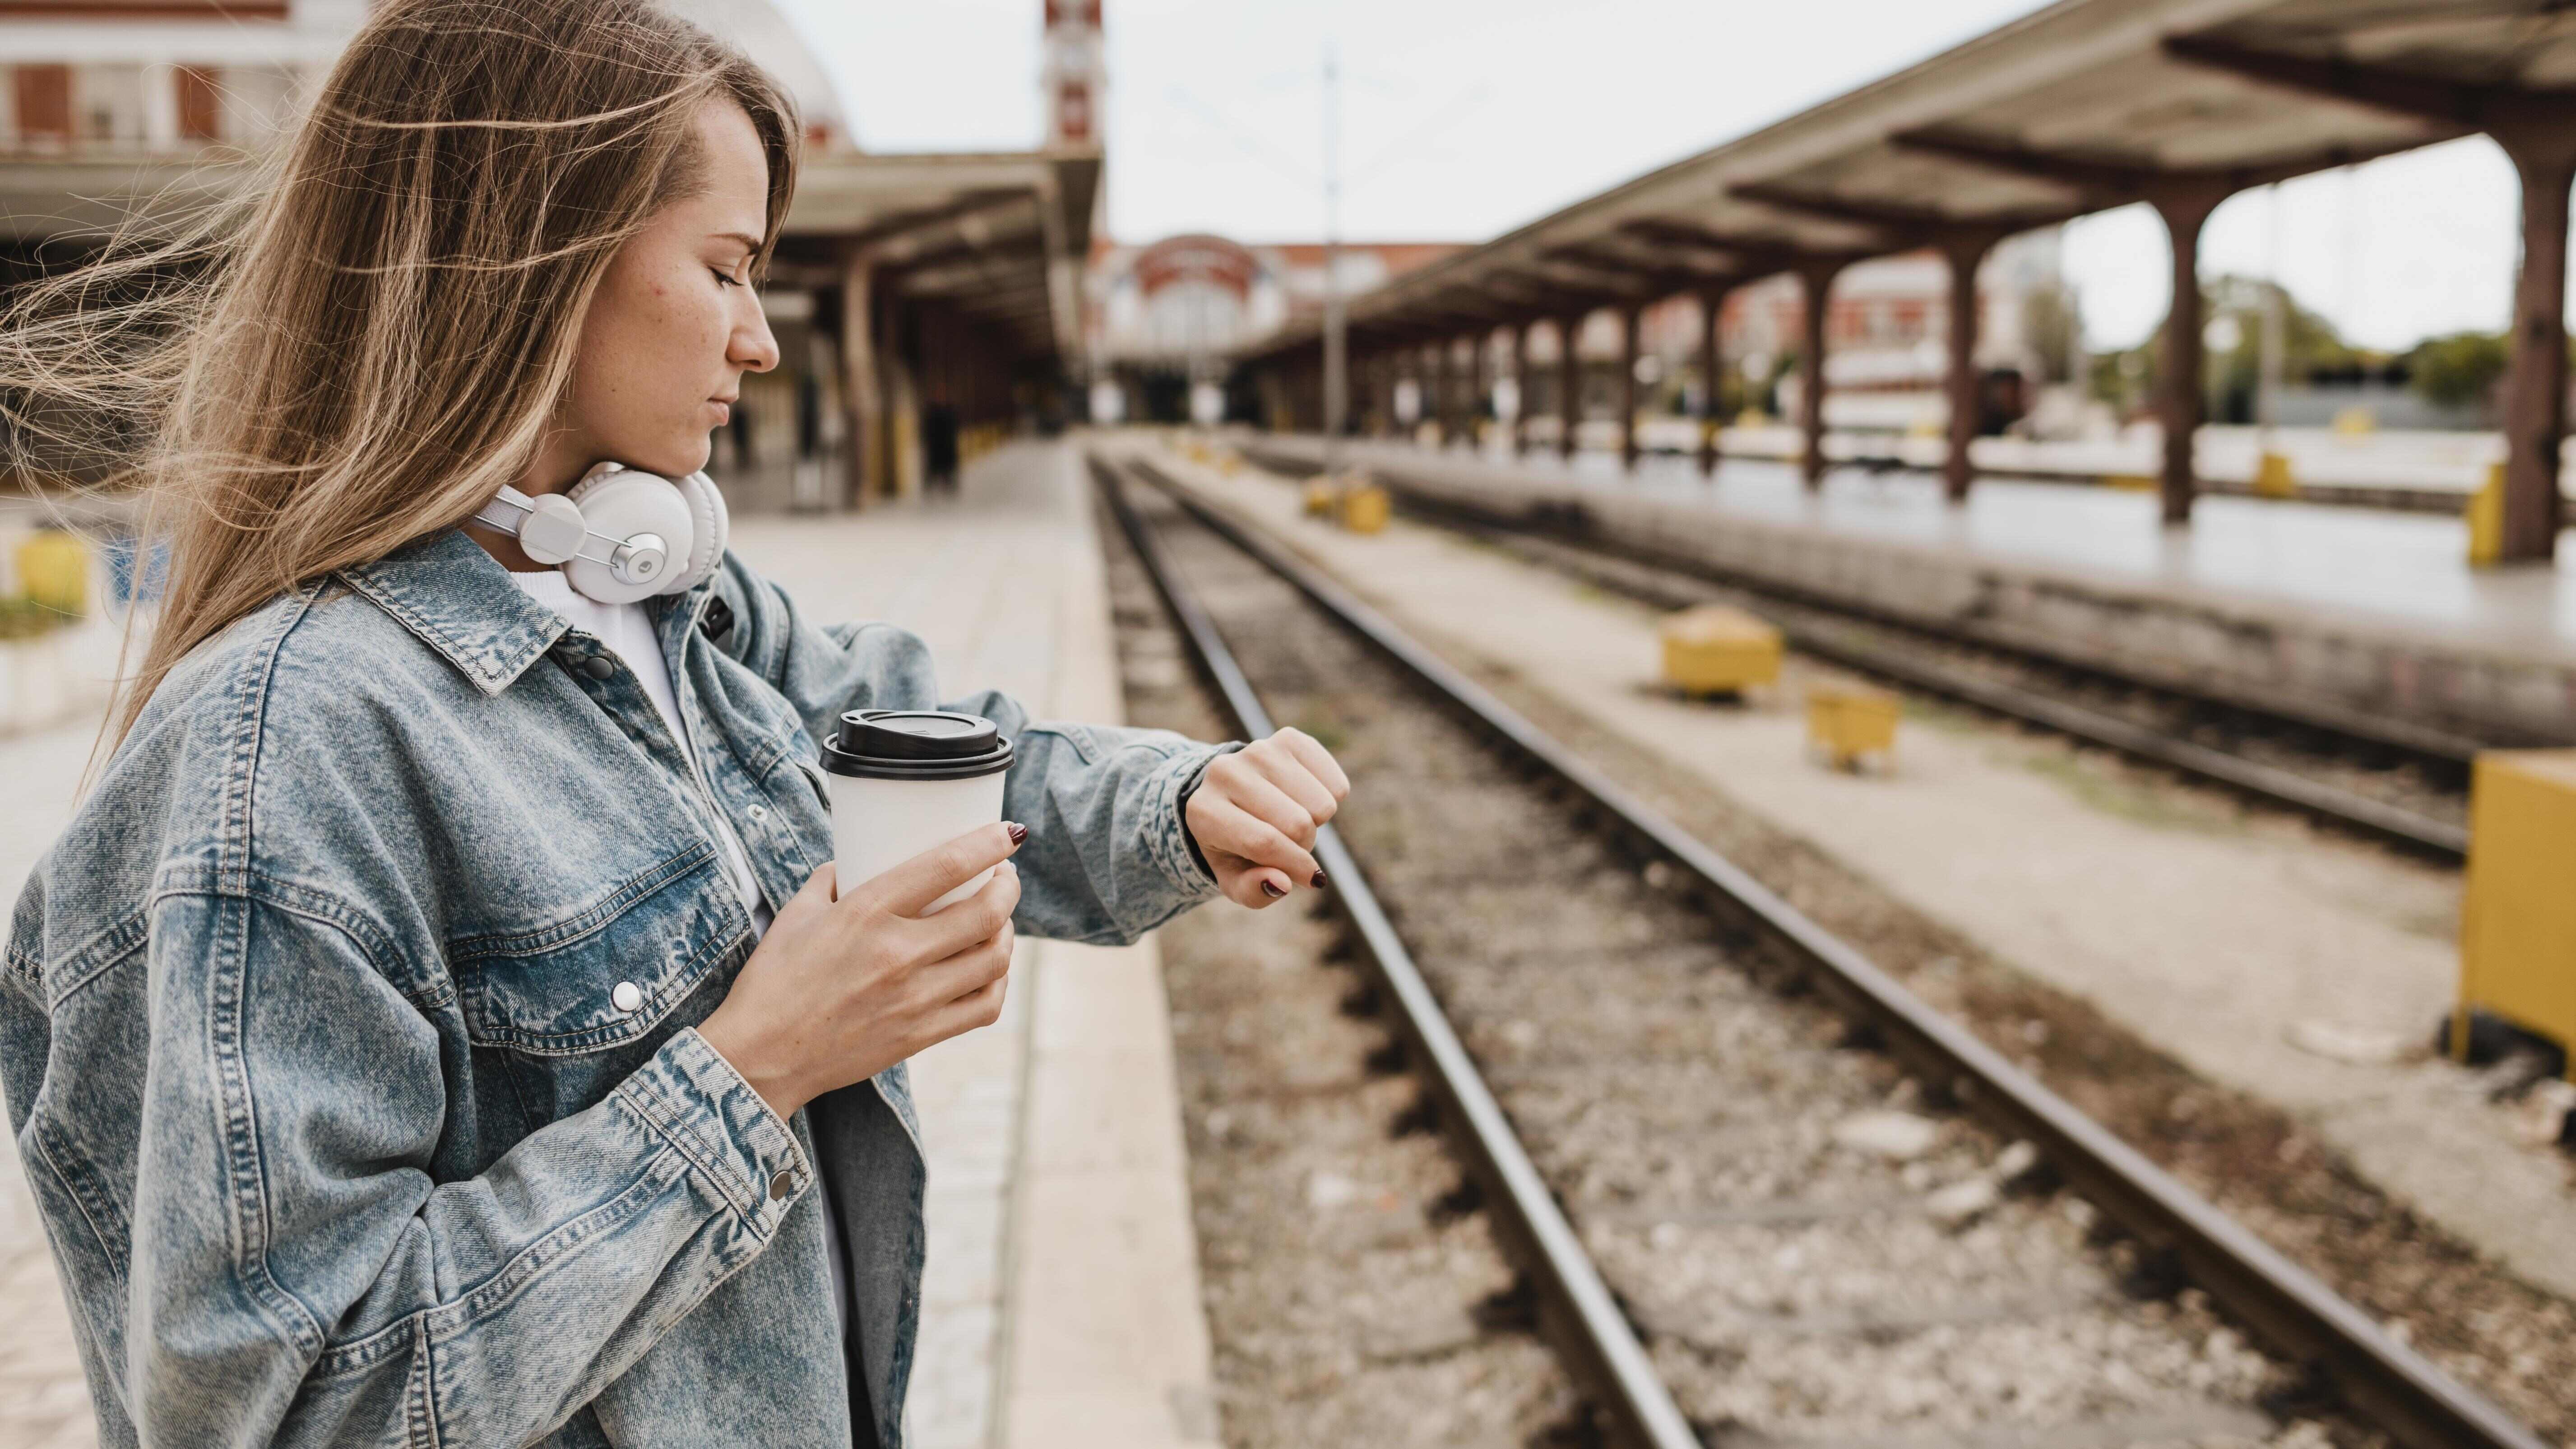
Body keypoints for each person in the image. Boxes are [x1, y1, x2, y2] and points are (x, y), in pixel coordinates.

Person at [0, 3, 1348, 1446]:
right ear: (533, 264)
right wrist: (756, 1067)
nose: (759, 341)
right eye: (725, 271)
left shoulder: (677, 609)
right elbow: (284, 1409)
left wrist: (1180, 804)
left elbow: (930, 742)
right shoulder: (279, 756)